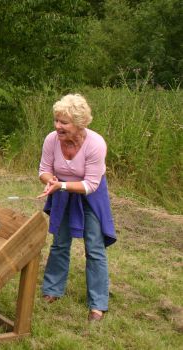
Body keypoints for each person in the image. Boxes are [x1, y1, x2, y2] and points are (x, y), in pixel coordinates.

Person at [36, 93, 116, 322]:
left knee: (94, 247)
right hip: (61, 190)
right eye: (56, 120)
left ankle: (98, 304)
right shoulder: (51, 139)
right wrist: (50, 181)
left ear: (79, 124)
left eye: (64, 122)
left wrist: (59, 184)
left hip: (90, 194)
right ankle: (52, 290)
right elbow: (43, 169)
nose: (57, 126)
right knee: (60, 243)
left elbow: (91, 184)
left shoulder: (96, 144)